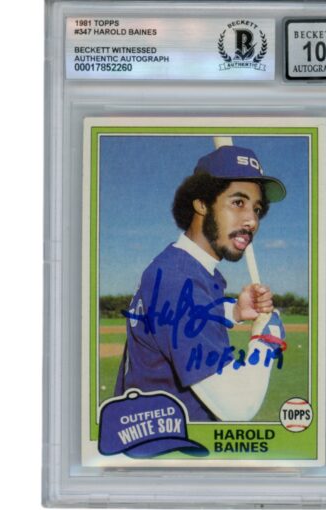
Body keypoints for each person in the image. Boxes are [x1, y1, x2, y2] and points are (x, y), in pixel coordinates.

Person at [115, 145, 287, 422]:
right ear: (202, 204)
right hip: (176, 445)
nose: (252, 221)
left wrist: (233, 311)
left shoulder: (176, 266)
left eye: (257, 209)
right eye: (238, 203)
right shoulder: (180, 280)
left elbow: (177, 319)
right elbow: (237, 408)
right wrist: (267, 341)